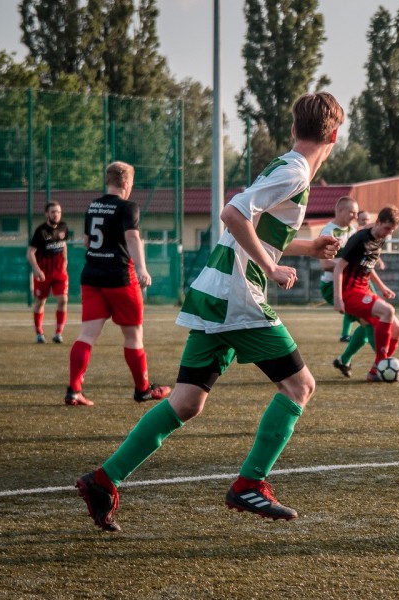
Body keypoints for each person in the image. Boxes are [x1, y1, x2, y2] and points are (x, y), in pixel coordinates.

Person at [76, 92, 344, 531]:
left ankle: (103, 480)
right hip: (237, 298)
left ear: (295, 129)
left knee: (185, 401)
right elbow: (232, 214)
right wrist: (272, 266)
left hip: (214, 292)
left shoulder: (285, 165)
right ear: (334, 135)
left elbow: (253, 225)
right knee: (300, 387)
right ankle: (248, 484)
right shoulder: (296, 170)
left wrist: (307, 247)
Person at [64, 162, 171, 407]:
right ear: (126, 183)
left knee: (87, 335)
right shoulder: (128, 207)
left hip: (91, 276)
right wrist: (142, 268)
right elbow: (132, 237)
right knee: (133, 336)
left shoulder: (93, 205)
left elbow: (88, 243)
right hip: (120, 278)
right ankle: (143, 390)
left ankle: (73, 390)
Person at [333, 206, 399, 381]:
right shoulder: (359, 239)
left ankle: (375, 372)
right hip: (350, 292)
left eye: (391, 231)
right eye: (386, 228)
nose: (387, 233)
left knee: (397, 329)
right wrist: (338, 298)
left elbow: (368, 267)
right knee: (387, 311)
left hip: (364, 289)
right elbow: (339, 268)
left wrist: (382, 286)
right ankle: (381, 364)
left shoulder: (379, 239)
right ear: (378, 222)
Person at [318, 196, 360, 343]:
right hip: (332, 285)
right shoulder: (328, 232)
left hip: (351, 282)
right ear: (340, 210)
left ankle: (344, 359)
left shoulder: (353, 230)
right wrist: (351, 267)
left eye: (357, 213)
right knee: (370, 317)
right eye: (352, 212)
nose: (355, 216)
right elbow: (325, 264)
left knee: (372, 317)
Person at [27, 201, 69, 344]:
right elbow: (30, 253)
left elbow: (63, 245)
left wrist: (65, 261)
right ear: (47, 214)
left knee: (63, 300)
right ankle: (39, 333)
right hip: (43, 274)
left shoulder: (64, 227)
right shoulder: (41, 231)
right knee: (40, 302)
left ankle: (58, 333)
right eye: (53, 212)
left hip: (59, 273)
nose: (56, 214)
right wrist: (37, 270)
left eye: (58, 212)